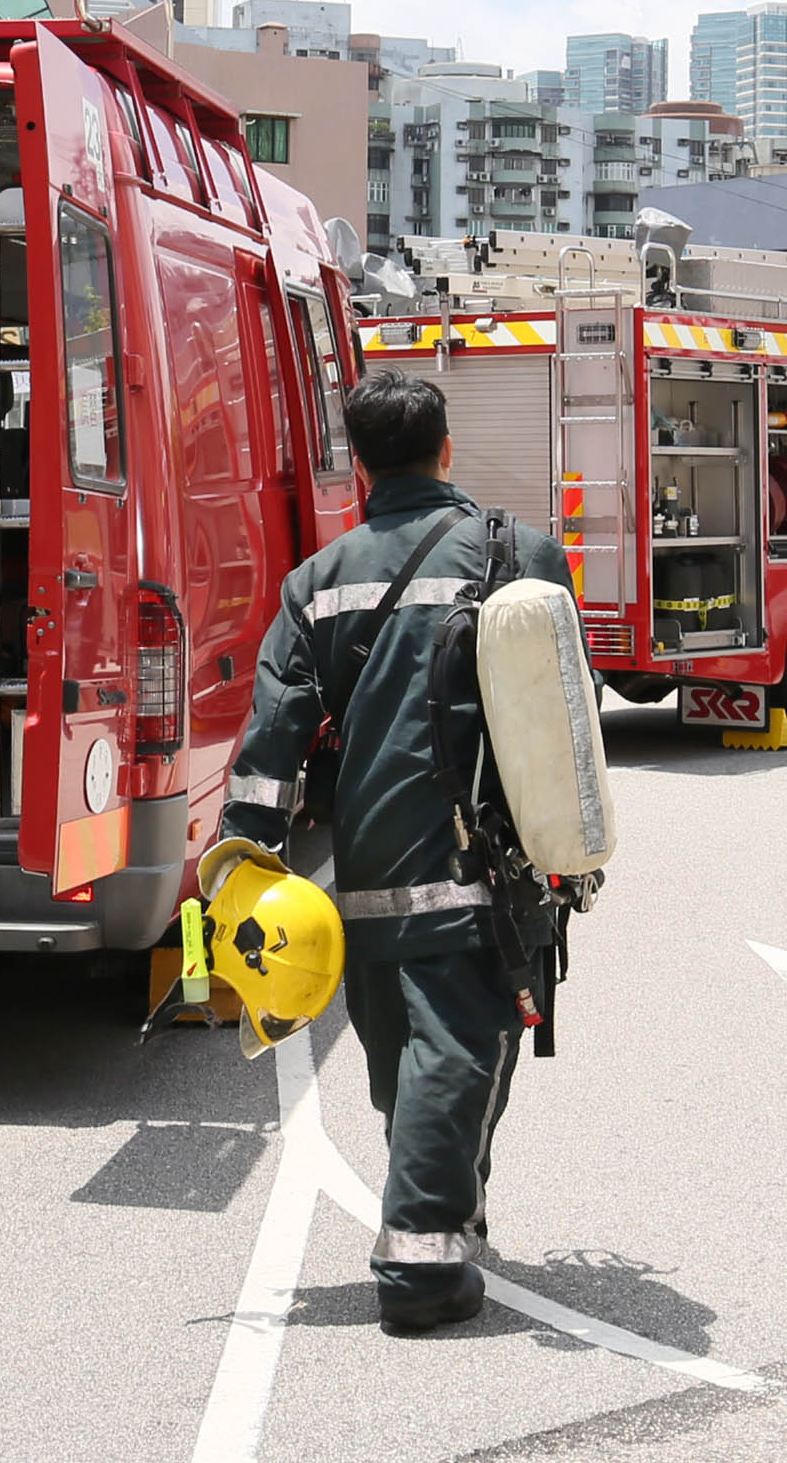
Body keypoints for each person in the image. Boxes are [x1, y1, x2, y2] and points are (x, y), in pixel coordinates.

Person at [219, 369, 575, 1337]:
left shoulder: (316, 583)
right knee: (460, 1049)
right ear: (446, 449)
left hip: (370, 865)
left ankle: (448, 1216)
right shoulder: (522, 554)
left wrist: (241, 865)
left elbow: (273, 741)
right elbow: (567, 720)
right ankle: (419, 1264)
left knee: (405, 1059)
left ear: (360, 466)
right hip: (485, 858)